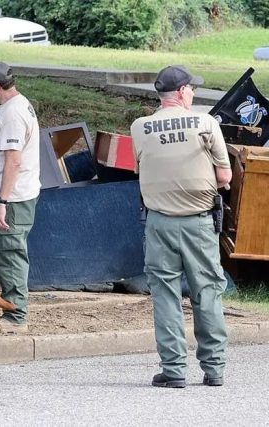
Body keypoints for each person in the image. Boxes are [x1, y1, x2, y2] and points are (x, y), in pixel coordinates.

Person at [130, 65, 232, 388]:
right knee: (207, 292)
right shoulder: (206, 123)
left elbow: (141, 167)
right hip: (199, 224)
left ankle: (174, 369)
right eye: (191, 90)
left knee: (165, 294)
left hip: (158, 223)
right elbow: (225, 178)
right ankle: (213, 369)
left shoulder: (139, 127)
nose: (193, 94)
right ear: (182, 92)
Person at [0, 62, 41, 334]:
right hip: (5, 198)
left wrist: (1, 203)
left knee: (12, 255)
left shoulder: (13, 114)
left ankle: (16, 317)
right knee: (7, 253)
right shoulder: (11, 107)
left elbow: (13, 161)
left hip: (11, 200)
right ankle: (13, 312)